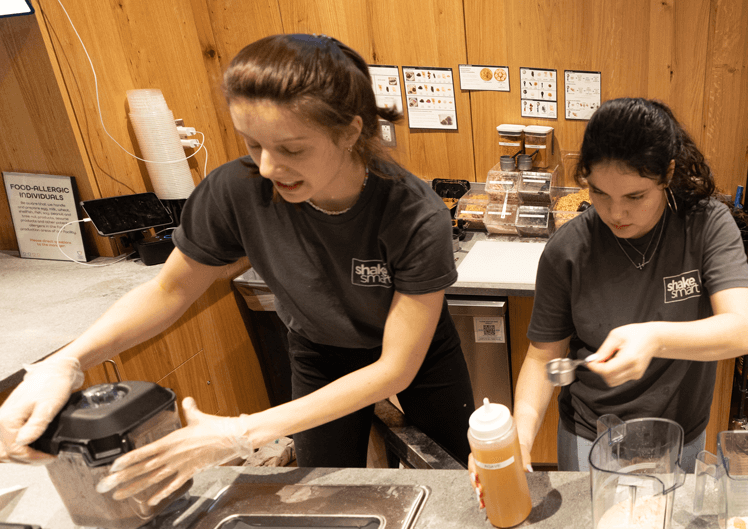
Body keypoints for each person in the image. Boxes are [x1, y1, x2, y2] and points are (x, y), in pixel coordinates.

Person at [0, 34, 473, 503]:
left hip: (419, 356)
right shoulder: (235, 192)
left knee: (453, 480)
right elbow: (170, 290)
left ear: (350, 132)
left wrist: (243, 431)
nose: (267, 167)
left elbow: (395, 368)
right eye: (252, 144)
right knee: (329, 491)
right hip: (319, 351)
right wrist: (67, 361)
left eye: (291, 149)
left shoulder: (414, 213)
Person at [512, 97, 748, 472]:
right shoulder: (569, 250)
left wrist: (654, 338)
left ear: (667, 174)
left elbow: (740, 331)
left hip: (679, 436)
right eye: (599, 193)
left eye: (635, 196)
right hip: (591, 436)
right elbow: (543, 357)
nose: (615, 213)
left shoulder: (706, 224)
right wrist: (521, 438)